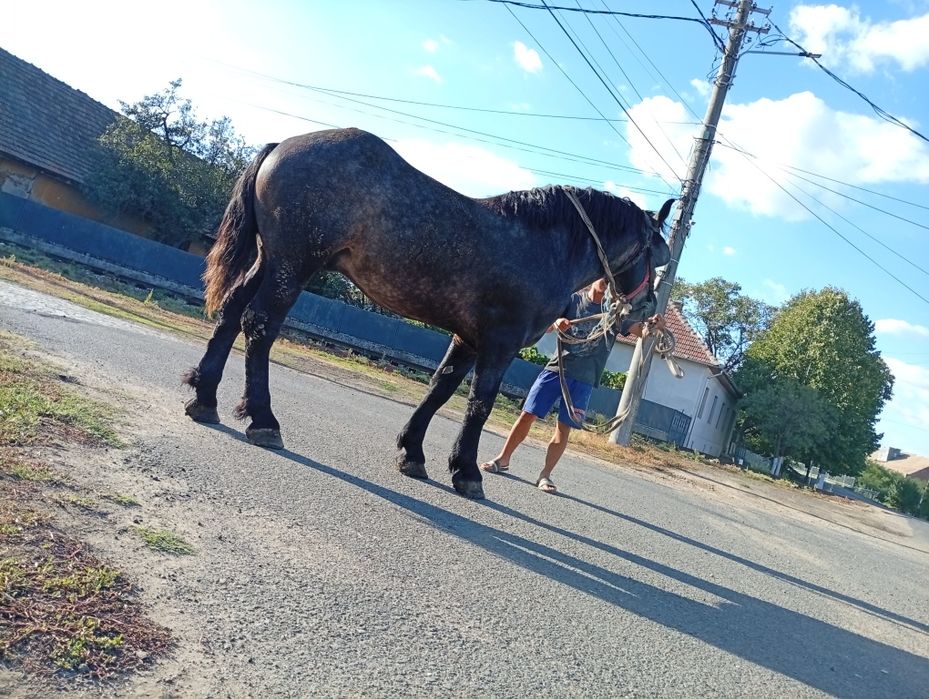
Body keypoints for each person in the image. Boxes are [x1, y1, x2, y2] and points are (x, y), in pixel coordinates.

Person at [480, 278, 664, 494]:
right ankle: (503, 459)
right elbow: (546, 325)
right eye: (603, 279)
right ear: (594, 277)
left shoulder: (616, 313)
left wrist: (654, 326)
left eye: (611, 281)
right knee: (527, 414)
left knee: (563, 427)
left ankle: (545, 475)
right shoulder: (572, 301)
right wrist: (556, 323)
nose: (606, 284)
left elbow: (641, 331)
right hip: (557, 369)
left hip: (584, 379)